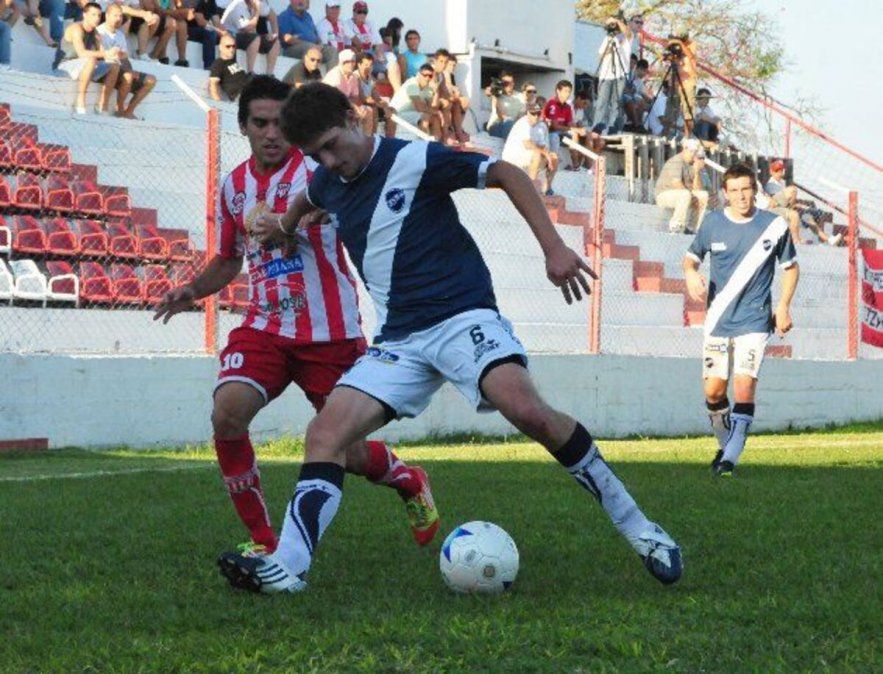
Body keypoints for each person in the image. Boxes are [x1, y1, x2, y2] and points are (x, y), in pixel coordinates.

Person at [219, 81, 683, 594]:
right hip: (399, 340)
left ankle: (642, 529)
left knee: (527, 410)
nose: (328, 162)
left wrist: (553, 248)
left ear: (354, 118)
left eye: (331, 146)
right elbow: (309, 197)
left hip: (462, 318)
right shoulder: (328, 180)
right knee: (324, 436)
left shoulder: (414, 159)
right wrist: (285, 228)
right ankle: (289, 567)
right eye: (315, 155)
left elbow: (505, 172)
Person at [154, 76, 439, 561]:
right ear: (243, 126)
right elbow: (229, 259)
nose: (271, 133)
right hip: (264, 326)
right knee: (227, 413)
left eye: (279, 123)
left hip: (330, 331)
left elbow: (351, 213)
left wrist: (302, 219)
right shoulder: (234, 187)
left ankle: (408, 478)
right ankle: (264, 541)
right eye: (260, 123)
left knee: (348, 452)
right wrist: (193, 290)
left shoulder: (320, 169)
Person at [683, 162, 799, 477]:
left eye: (746, 189)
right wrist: (691, 273)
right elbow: (690, 259)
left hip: (755, 319)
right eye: (734, 190)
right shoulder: (712, 223)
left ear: (754, 190)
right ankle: (726, 447)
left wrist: (784, 306)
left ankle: (729, 460)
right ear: (725, 193)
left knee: (744, 386)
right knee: (713, 392)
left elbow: (791, 268)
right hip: (718, 319)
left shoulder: (774, 225)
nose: (741, 196)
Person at [54, 2, 120, 115]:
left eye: (99, 15)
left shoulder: (96, 33)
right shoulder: (76, 28)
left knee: (114, 65)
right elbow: (82, 53)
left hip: (82, 66)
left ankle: (102, 105)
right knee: (90, 60)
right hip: (64, 67)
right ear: (84, 15)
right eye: (93, 15)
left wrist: (114, 54)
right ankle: (80, 101)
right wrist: (106, 53)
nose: (97, 18)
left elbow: (103, 54)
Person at [97, 2, 156, 118]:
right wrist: (127, 70)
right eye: (115, 15)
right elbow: (101, 57)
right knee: (128, 75)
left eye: (120, 16)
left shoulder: (120, 34)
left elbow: (125, 59)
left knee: (151, 80)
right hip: (106, 71)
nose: (119, 19)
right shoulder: (99, 32)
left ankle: (129, 111)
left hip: (120, 70)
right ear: (107, 15)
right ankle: (119, 109)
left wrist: (130, 70)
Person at [764, 160, 841, 246]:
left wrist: (800, 206)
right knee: (793, 192)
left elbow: (788, 201)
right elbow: (776, 203)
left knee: (808, 217)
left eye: (780, 170)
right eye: (776, 171)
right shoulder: (770, 184)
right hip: (777, 210)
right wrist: (794, 205)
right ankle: (797, 239)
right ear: (771, 172)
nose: (779, 173)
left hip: (787, 208)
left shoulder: (782, 183)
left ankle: (829, 239)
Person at [502, 101, 557, 196]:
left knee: (554, 157)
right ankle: (531, 188)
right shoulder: (523, 123)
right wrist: (545, 154)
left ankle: (548, 188)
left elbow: (543, 146)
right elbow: (527, 144)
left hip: (528, 155)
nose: (535, 116)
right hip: (513, 157)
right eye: (533, 114)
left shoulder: (542, 125)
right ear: (527, 113)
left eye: (538, 114)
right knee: (537, 155)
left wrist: (548, 155)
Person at [654, 138, 709, 233]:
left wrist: (697, 172)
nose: (694, 155)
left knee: (703, 195)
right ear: (685, 149)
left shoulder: (693, 164)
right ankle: (676, 225)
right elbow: (676, 184)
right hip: (663, 195)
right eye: (691, 151)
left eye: (695, 152)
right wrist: (692, 196)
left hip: (683, 195)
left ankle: (692, 228)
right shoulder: (676, 161)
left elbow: (698, 189)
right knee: (684, 194)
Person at [591, 14, 631, 135]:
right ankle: (598, 125)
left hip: (620, 74)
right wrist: (611, 46)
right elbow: (601, 55)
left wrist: (617, 21)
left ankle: (614, 126)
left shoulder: (626, 37)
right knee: (602, 101)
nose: (616, 26)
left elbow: (626, 32)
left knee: (616, 102)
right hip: (606, 74)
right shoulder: (608, 38)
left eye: (618, 23)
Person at [322, 48, 374, 133]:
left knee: (368, 111)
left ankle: (366, 138)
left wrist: (356, 109)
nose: (350, 64)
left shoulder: (353, 77)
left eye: (352, 61)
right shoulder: (335, 75)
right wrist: (354, 108)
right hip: (330, 107)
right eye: (347, 62)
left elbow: (355, 97)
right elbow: (337, 98)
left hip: (345, 106)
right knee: (350, 114)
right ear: (341, 62)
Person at [220, 0, 279, 74]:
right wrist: (257, 12)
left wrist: (275, 34)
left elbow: (272, 14)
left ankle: (269, 74)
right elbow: (247, 28)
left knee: (274, 42)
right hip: (231, 36)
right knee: (255, 38)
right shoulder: (238, 5)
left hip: (245, 35)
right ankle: (250, 72)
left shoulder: (255, 3)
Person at [390, 62, 444, 141]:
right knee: (425, 117)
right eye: (425, 75)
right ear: (418, 74)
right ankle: (424, 143)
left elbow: (431, 107)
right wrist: (438, 112)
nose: (427, 78)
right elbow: (419, 107)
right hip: (397, 114)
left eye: (430, 76)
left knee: (435, 118)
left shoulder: (427, 88)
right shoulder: (412, 85)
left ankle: (437, 144)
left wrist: (436, 91)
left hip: (412, 114)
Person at [278, 0, 335, 64]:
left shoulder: (308, 17)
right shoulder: (285, 16)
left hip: (312, 47)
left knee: (332, 51)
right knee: (311, 49)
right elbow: (287, 38)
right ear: (291, 1)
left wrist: (320, 44)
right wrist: (309, 45)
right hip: (292, 49)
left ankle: (330, 71)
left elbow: (315, 36)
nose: (300, 1)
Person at [356, 51, 396, 137]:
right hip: (358, 105)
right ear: (359, 65)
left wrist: (385, 105)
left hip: (370, 104)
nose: (369, 67)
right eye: (366, 65)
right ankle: (371, 138)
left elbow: (376, 95)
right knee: (373, 108)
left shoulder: (371, 78)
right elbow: (363, 99)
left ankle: (389, 140)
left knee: (392, 110)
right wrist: (380, 104)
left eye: (370, 65)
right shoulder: (355, 77)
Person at [208, 33, 250, 100]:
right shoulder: (219, 63)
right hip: (242, 96)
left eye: (233, 46)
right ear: (220, 47)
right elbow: (213, 84)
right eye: (228, 46)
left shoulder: (233, 61)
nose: (231, 49)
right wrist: (218, 103)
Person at [485, 71, 523, 139]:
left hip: (514, 127)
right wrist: (492, 92)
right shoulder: (497, 95)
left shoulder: (520, 96)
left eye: (511, 83)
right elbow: (488, 91)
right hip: (497, 125)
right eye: (506, 83)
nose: (509, 85)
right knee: (509, 122)